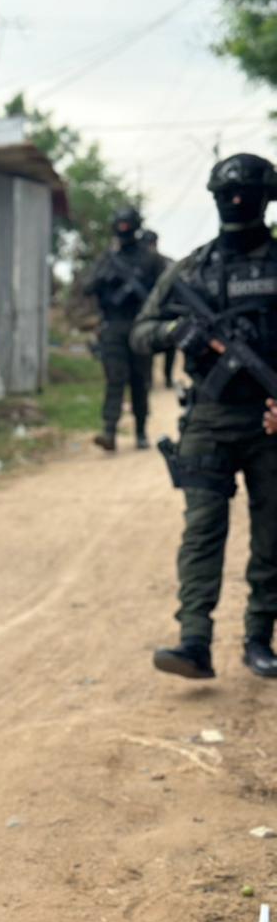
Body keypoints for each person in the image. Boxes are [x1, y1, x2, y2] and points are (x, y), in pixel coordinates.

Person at [131, 152, 277, 680]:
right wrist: (177, 334)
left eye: (248, 194)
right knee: (202, 531)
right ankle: (195, 640)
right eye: (227, 194)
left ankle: (259, 638)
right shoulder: (189, 271)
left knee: (272, 533)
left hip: (268, 419)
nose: (237, 202)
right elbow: (141, 331)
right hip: (211, 418)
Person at [83, 206, 167, 451]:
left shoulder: (150, 259)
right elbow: (88, 286)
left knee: (140, 380)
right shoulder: (108, 259)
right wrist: (105, 278)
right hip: (113, 325)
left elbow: (164, 289)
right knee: (115, 378)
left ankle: (140, 431)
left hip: (140, 324)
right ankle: (109, 431)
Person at [141, 229, 177, 389]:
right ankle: (150, 379)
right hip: (153, 309)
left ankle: (166, 378)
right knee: (148, 344)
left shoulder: (167, 262)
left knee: (171, 342)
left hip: (166, 310)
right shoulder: (145, 264)